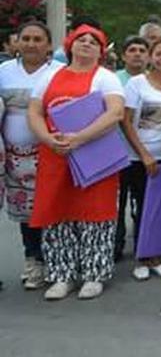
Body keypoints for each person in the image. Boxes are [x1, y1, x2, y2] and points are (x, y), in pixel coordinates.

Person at [27, 24, 125, 300]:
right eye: (81, 39)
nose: (86, 44)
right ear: (70, 45)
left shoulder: (106, 77)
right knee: (57, 214)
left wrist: (80, 138)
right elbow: (34, 112)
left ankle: (94, 274)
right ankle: (61, 275)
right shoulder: (49, 76)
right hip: (55, 154)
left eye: (93, 41)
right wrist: (48, 139)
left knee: (95, 215)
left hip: (94, 155)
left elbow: (115, 113)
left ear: (100, 51)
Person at [0, 21, 63, 290]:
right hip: (14, 156)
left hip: (51, 153)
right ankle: (33, 261)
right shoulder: (3, 71)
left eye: (38, 39)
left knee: (51, 209)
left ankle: (55, 262)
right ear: (17, 42)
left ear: (48, 44)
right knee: (26, 213)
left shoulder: (59, 72)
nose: (31, 44)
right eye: (26, 38)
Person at [120, 38, 161, 281]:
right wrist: (144, 154)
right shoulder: (137, 84)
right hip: (139, 157)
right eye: (159, 53)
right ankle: (142, 257)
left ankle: (157, 255)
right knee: (142, 207)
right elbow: (125, 121)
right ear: (151, 57)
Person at [114, 35, 150, 261]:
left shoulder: (153, 80)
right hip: (116, 153)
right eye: (132, 50)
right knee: (117, 205)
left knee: (143, 203)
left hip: (143, 153)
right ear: (123, 55)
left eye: (142, 50)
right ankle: (115, 246)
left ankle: (143, 246)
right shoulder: (113, 79)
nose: (137, 54)